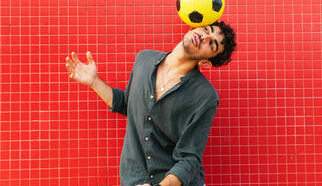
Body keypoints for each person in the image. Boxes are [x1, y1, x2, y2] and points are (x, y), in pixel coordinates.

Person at [65, 21, 236, 186]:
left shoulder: (205, 96)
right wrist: (94, 82)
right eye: (206, 30)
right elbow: (128, 105)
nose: (205, 37)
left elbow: (189, 158)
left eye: (212, 44)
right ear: (194, 28)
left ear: (205, 62)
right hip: (135, 179)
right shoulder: (144, 59)